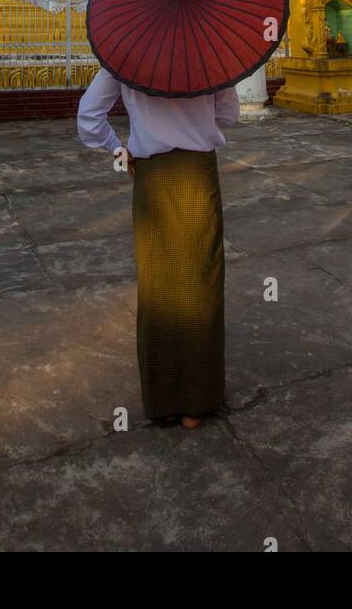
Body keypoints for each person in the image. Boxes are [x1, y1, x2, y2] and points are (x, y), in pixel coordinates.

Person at [77, 68, 240, 430]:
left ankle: (162, 401)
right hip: (198, 174)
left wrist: (119, 151)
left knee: (158, 285)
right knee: (201, 284)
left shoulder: (122, 55)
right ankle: (197, 405)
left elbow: (89, 117)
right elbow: (229, 115)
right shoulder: (211, 56)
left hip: (151, 176)